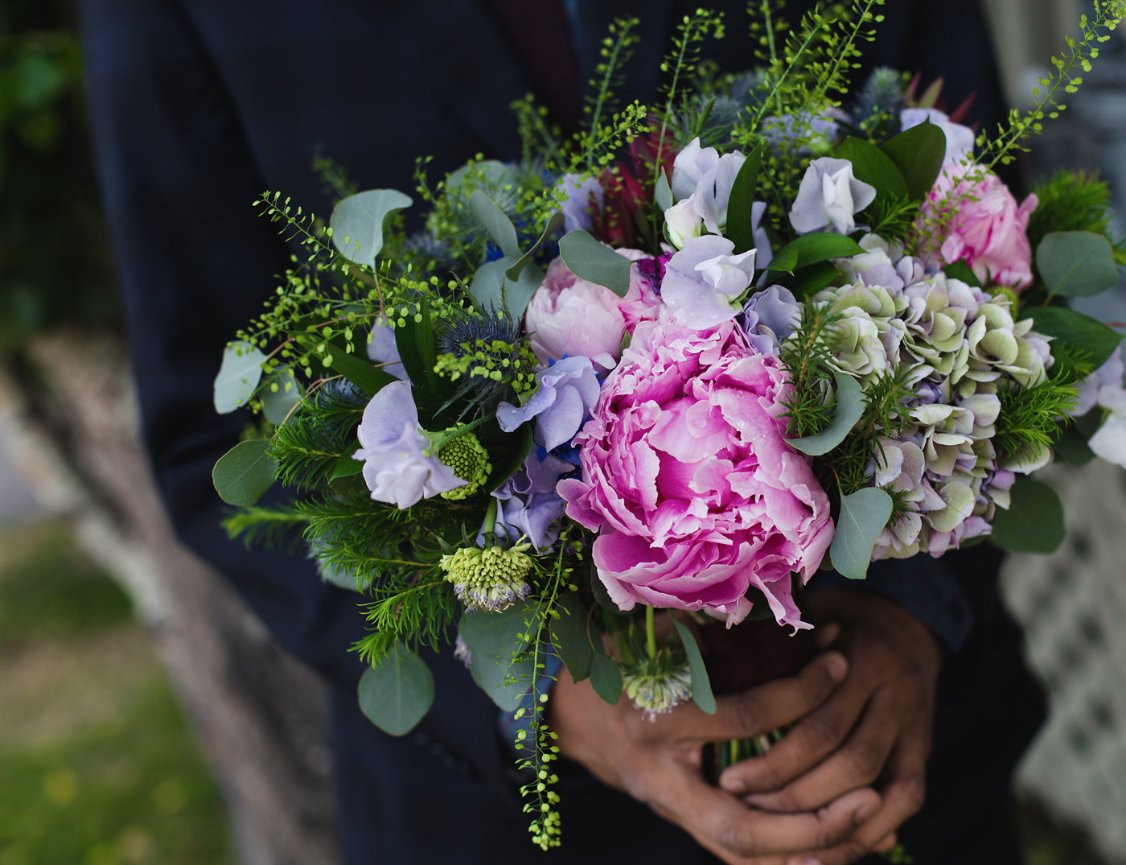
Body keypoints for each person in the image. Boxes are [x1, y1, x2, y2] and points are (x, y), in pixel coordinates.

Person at [80, 1, 1045, 862]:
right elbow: (209, 436)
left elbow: (984, 249)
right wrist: (538, 690)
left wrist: (915, 612)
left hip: (897, 762)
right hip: (509, 826)